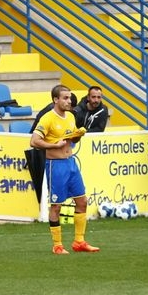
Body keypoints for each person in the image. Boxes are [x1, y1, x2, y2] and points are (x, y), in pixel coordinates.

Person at [30, 84, 100, 255]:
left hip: (71, 163)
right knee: (56, 206)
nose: (69, 101)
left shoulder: (70, 116)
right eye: (65, 98)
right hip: (56, 166)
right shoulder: (47, 119)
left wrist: (77, 135)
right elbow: (34, 141)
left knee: (82, 201)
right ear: (56, 100)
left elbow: (70, 139)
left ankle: (79, 241)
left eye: (69, 98)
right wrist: (53, 144)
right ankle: (57, 245)